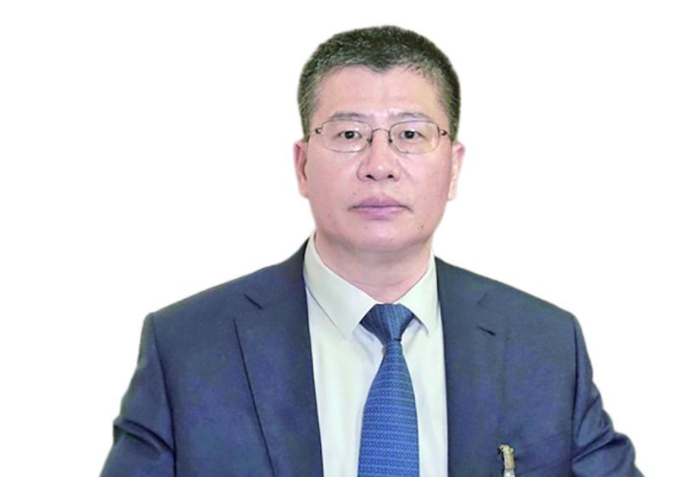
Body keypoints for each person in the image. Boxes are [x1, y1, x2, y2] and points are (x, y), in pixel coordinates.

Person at [101, 25, 641, 477]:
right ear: (302, 165)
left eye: (410, 135)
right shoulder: (189, 347)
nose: (379, 164)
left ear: (453, 166)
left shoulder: (543, 346)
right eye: (349, 134)